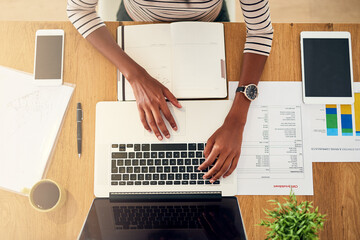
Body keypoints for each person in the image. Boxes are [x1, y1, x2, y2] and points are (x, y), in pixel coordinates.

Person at [67, 0, 273, 183]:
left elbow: (260, 31)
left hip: (209, 24)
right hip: (136, 21)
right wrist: (136, 76)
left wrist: (237, 120)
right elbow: (78, 10)